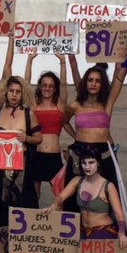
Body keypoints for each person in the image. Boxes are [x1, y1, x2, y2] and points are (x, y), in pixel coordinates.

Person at [62, 60, 127, 239]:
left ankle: (112, 237)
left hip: (103, 157)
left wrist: (126, 57)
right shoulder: (75, 105)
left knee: (109, 196)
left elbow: (119, 78)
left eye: (97, 81)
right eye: (90, 80)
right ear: (85, 83)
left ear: (102, 84)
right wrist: (77, 137)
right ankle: (72, 239)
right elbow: (64, 121)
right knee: (72, 198)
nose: (93, 84)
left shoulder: (107, 104)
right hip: (79, 156)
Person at [0, 76, 41, 229]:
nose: (14, 95)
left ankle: (23, 237)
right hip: (0, 166)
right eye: (11, 91)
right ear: (6, 92)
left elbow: (39, 138)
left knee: (22, 202)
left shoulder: (29, 114)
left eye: (18, 92)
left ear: (23, 94)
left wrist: (26, 138)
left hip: (21, 165)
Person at [43, 144, 127, 246]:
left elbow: (119, 215)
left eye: (91, 162)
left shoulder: (108, 186)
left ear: (98, 163)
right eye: (84, 163)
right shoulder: (77, 181)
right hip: (83, 231)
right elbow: (60, 197)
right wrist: (53, 205)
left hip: (102, 231)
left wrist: (122, 233)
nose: (87, 167)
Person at [24, 53, 76, 202]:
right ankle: (33, 217)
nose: (47, 88)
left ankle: (57, 218)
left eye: (51, 86)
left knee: (60, 195)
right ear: (40, 87)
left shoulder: (60, 104)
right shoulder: (33, 104)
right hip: (36, 155)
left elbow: (64, 83)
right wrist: (29, 60)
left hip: (54, 157)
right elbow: (26, 84)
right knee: (34, 195)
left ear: (55, 88)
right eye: (44, 85)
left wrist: (62, 61)